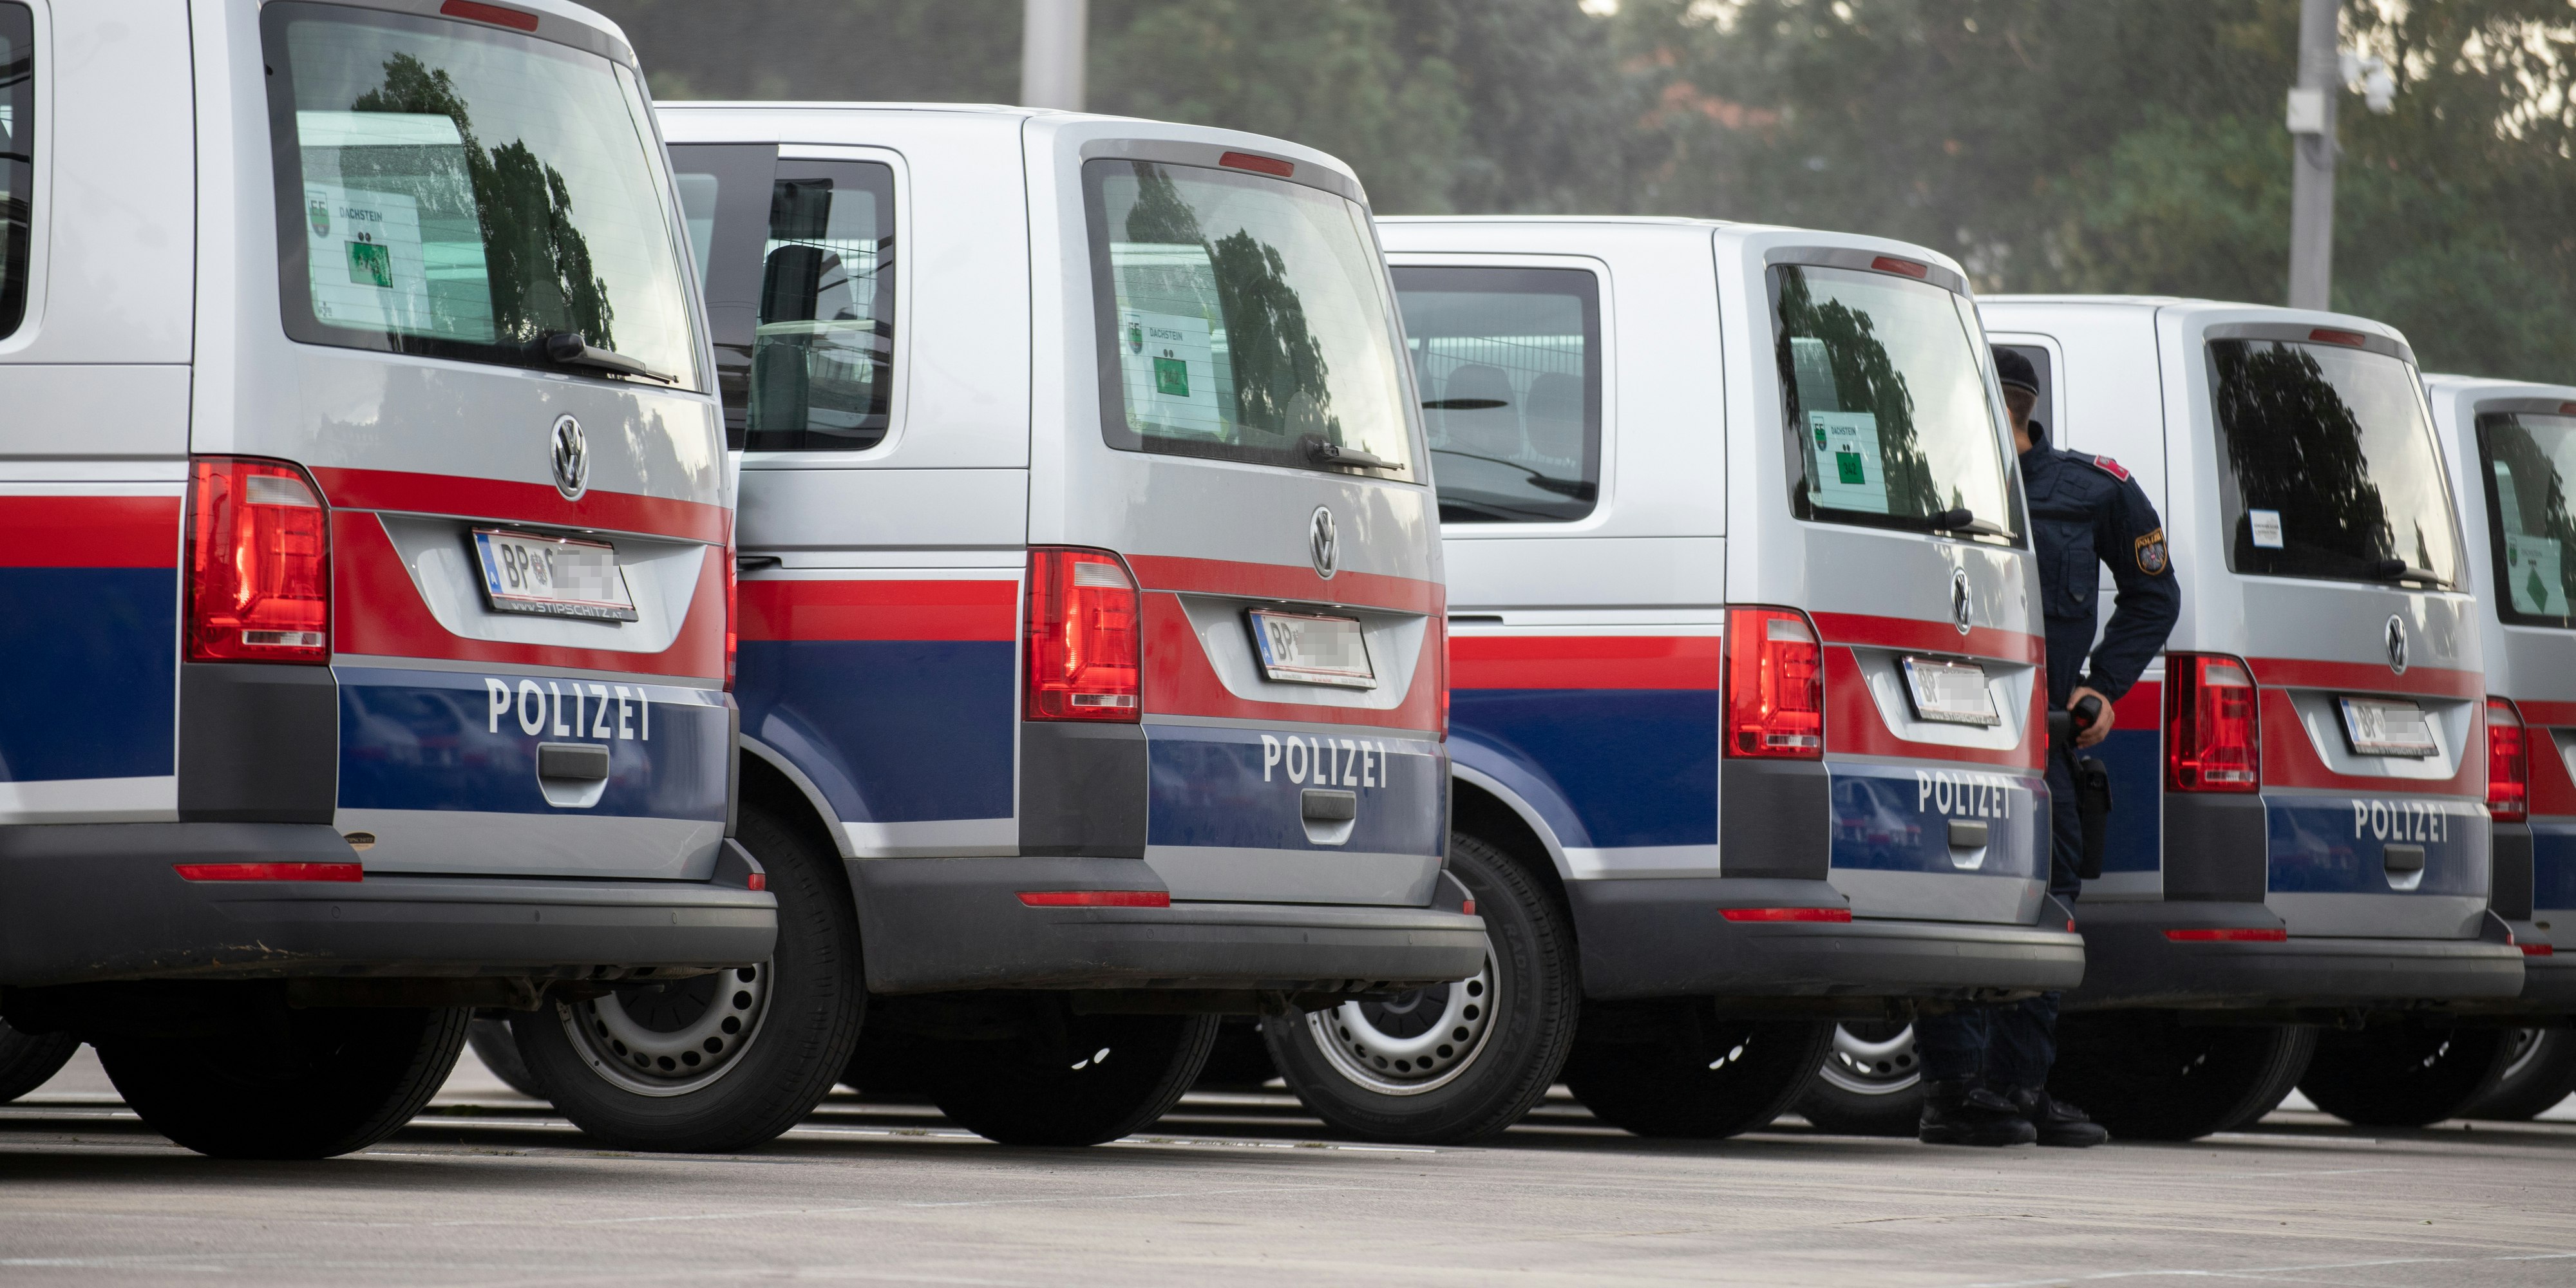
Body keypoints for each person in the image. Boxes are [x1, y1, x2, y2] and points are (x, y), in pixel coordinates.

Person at [1914, 345, 2181, 1148]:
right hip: (1952, 731)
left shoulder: (2092, 488)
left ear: (2023, 403)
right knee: (1954, 898)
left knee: (2051, 899)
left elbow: (2154, 592)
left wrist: (2101, 686)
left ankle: (2020, 1090)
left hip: (2044, 740)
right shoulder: (1920, 481)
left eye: (2006, 397)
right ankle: (1953, 1093)